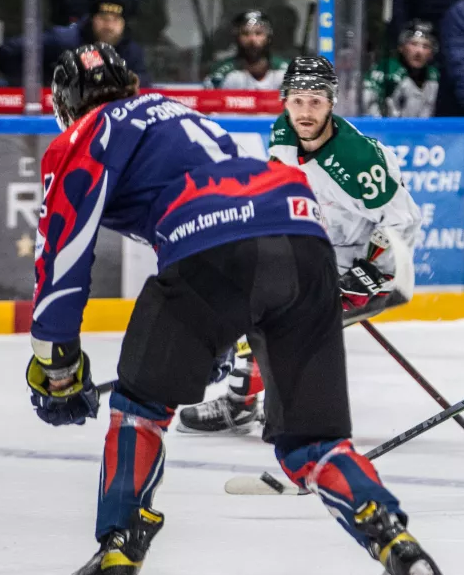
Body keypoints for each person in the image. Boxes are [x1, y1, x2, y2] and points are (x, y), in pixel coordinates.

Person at [27, 43, 452, 575]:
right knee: (313, 441)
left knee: (139, 409)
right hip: (304, 239)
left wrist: (57, 368)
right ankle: (394, 537)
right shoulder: (177, 112)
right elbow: (244, 214)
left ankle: (119, 545)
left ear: (68, 105)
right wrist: (218, 340)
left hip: (210, 248)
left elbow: (62, 255)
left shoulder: (84, 136)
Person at [178, 56, 422, 435]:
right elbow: (282, 192)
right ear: (285, 100)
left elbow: (404, 220)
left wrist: (371, 271)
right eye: (297, 101)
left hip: (364, 269)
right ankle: (243, 399)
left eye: (316, 102)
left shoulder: (356, 161)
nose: (305, 113)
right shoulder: (284, 132)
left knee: (280, 319)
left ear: (331, 102)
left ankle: (273, 409)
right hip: (318, 252)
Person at [0, 0, 149, 86]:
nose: (108, 26)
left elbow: (144, 83)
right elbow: (8, 51)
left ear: (124, 24)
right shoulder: (64, 40)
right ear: (92, 20)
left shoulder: (131, 51)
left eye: (115, 20)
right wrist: (38, 86)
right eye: (103, 18)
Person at [364, 19, 440, 118]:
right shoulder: (387, 71)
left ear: (432, 53)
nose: (419, 51)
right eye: (413, 44)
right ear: (401, 47)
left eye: (425, 46)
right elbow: (367, 103)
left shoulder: (434, 77)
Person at [203, 10, 289, 91]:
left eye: (258, 33)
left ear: (269, 38)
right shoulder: (221, 72)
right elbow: (207, 99)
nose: (252, 39)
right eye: (245, 33)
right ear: (237, 38)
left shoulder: (287, 70)